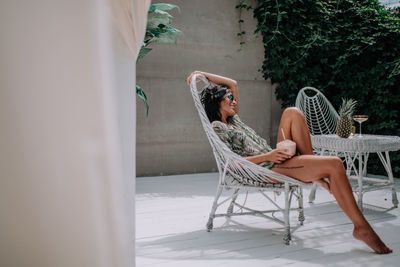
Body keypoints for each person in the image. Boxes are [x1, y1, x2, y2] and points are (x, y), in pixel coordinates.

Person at [187, 70, 392, 254]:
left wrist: (200, 73)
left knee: (292, 111)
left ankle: (315, 171)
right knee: (335, 164)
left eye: (232, 98)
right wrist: (268, 157)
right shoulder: (218, 127)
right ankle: (361, 227)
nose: (233, 100)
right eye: (228, 98)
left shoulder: (233, 120)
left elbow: (233, 83)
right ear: (218, 103)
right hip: (265, 167)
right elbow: (233, 164)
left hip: (275, 157)